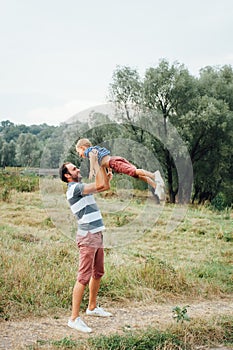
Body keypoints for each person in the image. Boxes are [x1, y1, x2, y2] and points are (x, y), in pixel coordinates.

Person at [59, 161, 113, 333]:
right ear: (68, 176)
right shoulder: (75, 189)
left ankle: (92, 307)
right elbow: (100, 183)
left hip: (96, 234)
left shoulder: (81, 188)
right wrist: (97, 164)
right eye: (74, 169)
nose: (78, 169)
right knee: (83, 277)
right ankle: (73, 319)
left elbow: (103, 186)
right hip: (88, 237)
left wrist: (106, 174)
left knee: (98, 273)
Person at [76, 138, 165, 202]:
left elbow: (92, 156)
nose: (79, 154)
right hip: (114, 160)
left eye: (78, 152)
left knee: (134, 171)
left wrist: (91, 170)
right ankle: (155, 186)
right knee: (136, 174)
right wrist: (110, 171)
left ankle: (154, 175)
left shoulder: (89, 152)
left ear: (83, 148)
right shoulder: (96, 149)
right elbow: (104, 159)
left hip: (114, 162)